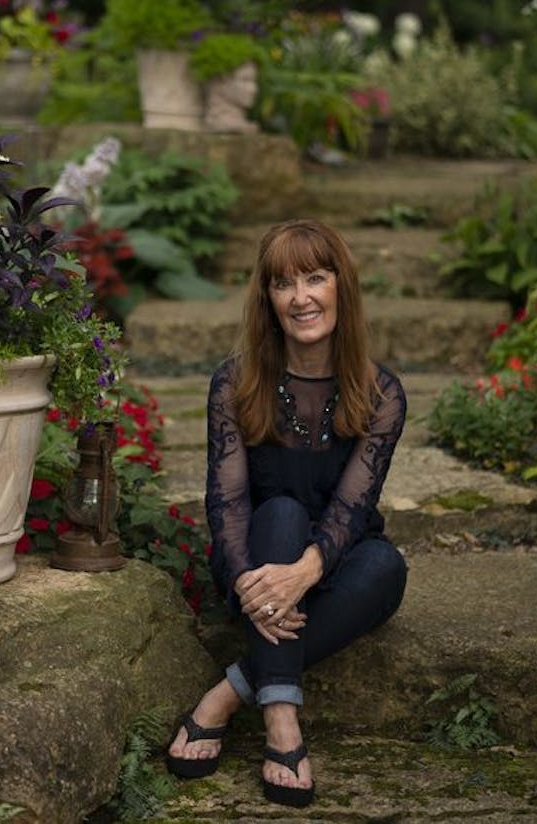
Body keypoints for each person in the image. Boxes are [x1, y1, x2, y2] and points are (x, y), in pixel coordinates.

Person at [165, 219, 408, 808]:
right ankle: (282, 724)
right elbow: (225, 502)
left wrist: (304, 573)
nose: (301, 297)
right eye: (283, 283)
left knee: (387, 567)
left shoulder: (381, 393)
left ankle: (228, 692)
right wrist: (251, 580)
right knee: (277, 512)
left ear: (340, 288)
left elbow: (353, 510)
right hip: (253, 560)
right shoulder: (236, 382)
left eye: (315, 278)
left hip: (332, 562)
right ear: (267, 299)